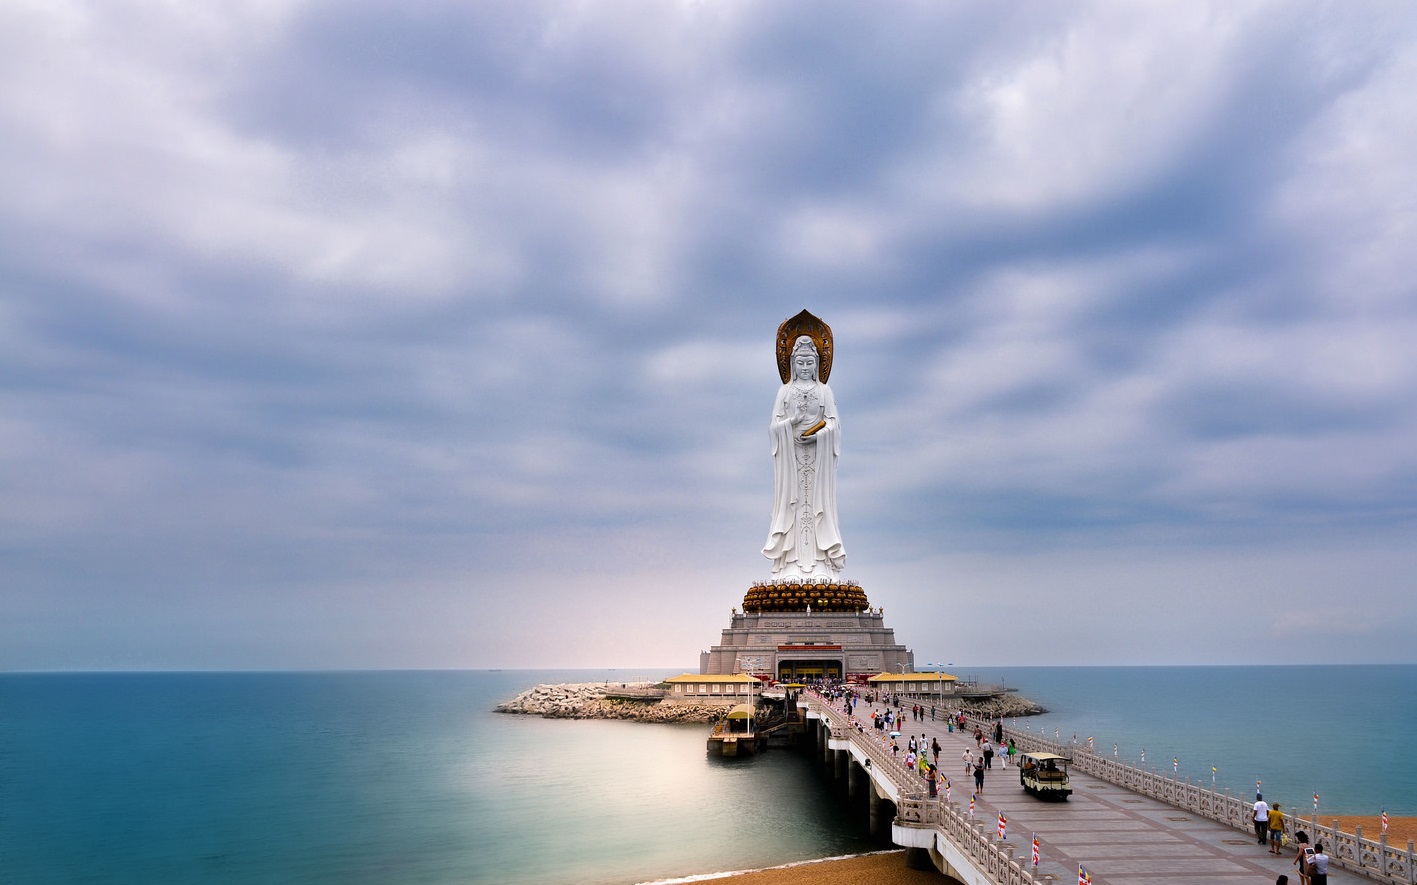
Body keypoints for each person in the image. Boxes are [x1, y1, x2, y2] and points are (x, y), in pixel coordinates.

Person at [762, 334, 846, 579]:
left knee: (817, 506)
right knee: (794, 506)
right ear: (792, 364)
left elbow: (835, 426)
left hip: (818, 461)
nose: (806, 368)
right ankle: (791, 565)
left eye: (810, 363)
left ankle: (821, 564)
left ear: (818, 364)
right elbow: (773, 429)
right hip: (792, 460)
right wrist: (793, 422)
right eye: (801, 363)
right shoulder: (785, 392)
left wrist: (820, 435)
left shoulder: (825, 392)